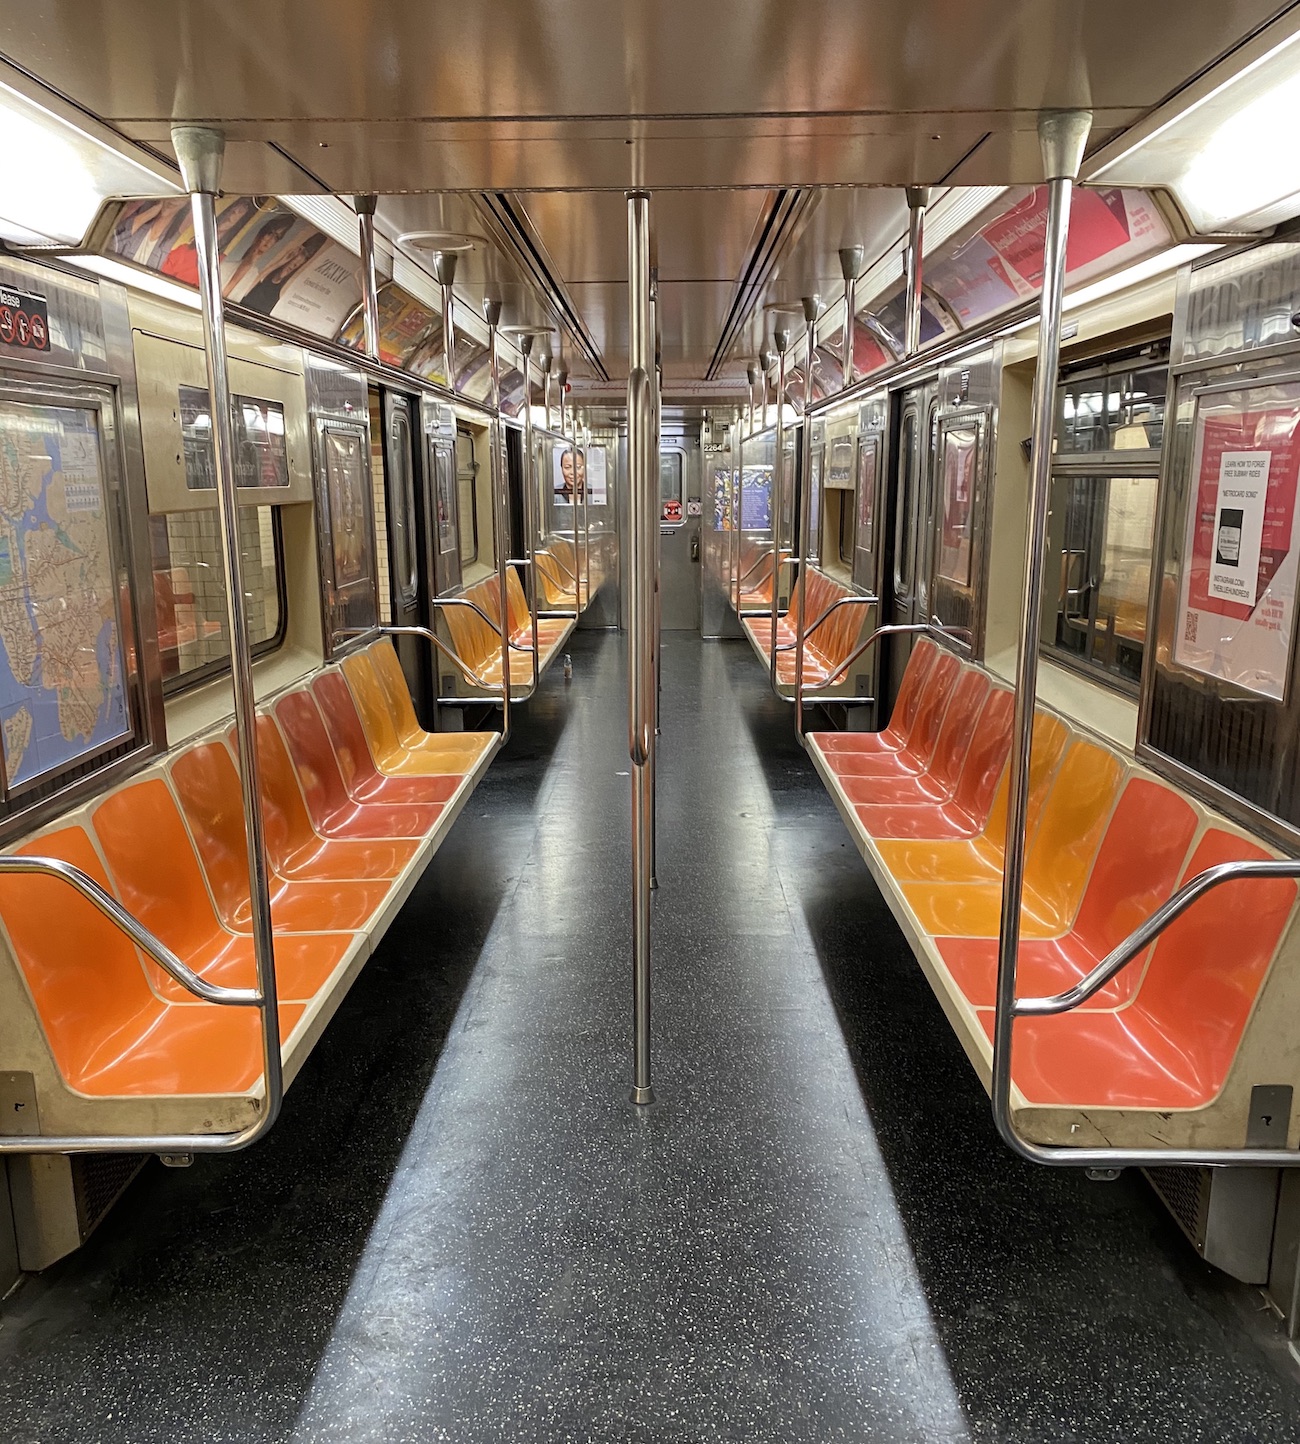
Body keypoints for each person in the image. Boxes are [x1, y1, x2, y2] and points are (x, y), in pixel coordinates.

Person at [238, 233, 328, 314]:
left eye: (306, 257)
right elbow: (245, 290)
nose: (299, 261)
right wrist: (279, 263)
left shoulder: (285, 289)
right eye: (303, 253)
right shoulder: (265, 274)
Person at [223, 212, 296, 302]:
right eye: (270, 233)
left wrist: (279, 263)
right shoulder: (227, 261)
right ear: (261, 233)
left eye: (276, 237)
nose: (270, 240)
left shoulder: (254, 273)